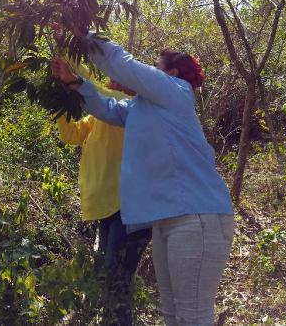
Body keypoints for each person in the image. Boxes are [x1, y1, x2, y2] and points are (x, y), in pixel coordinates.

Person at [51, 37, 234, 326]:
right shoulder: (140, 108)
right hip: (166, 220)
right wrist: (75, 82)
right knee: (172, 313)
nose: (150, 69)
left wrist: (81, 34)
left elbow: (124, 66)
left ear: (171, 73)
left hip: (197, 217)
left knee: (192, 315)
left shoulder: (176, 90)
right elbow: (106, 108)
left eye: (155, 65)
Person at [56, 72, 151, 326]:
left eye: (116, 77)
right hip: (105, 206)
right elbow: (71, 136)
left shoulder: (129, 110)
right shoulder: (96, 116)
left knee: (116, 276)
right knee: (108, 275)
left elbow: (103, 96)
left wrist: (73, 80)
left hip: (127, 206)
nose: (110, 81)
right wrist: (60, 105)